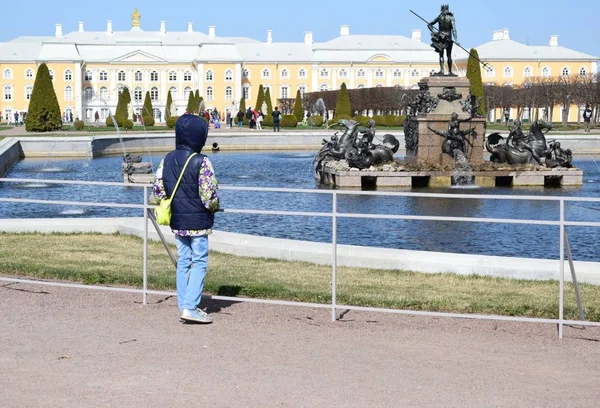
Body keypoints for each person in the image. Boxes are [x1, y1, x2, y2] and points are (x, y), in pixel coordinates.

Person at [152, 114, 219, 324]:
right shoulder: (202, 161)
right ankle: (190, 307)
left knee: (183, 261)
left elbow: (158, 191)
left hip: (178, 220)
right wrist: (215, 207)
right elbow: (208, 196)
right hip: (198, 221)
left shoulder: (167, 159)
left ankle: (183, 304)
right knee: (199, 262)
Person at [427, 4, 458, 76]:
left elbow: (429, 24)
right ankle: (450, 71)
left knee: (441, 55)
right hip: (448, 38)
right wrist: (456, 39)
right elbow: (454, 29)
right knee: (449, 55)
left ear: (442, 10)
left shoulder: (439, 16)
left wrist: (434, 31)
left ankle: (442, 70)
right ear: (448, 9)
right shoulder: (451, 17)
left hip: (440, 38)